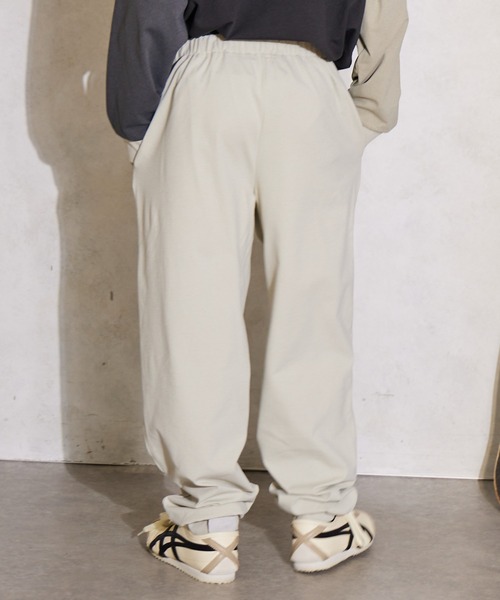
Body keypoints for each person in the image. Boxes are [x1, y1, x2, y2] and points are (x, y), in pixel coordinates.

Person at [106, 0, 408, 584]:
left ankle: (205, 526)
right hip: (311, 85)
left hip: (206, 83)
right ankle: (322, 520)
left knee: (191, 308)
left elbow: (150, 8)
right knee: (313, 308)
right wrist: (371, 106)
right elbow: (384, 11)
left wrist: (139, 125)